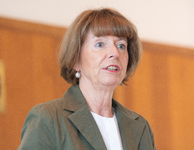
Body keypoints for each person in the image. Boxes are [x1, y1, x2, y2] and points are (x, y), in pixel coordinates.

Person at [18, 8, 156, 150]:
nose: (115, 53)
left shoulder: (140, 126)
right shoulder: (48, 118)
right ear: (75, 59)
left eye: (121, 46)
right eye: (100, 44)